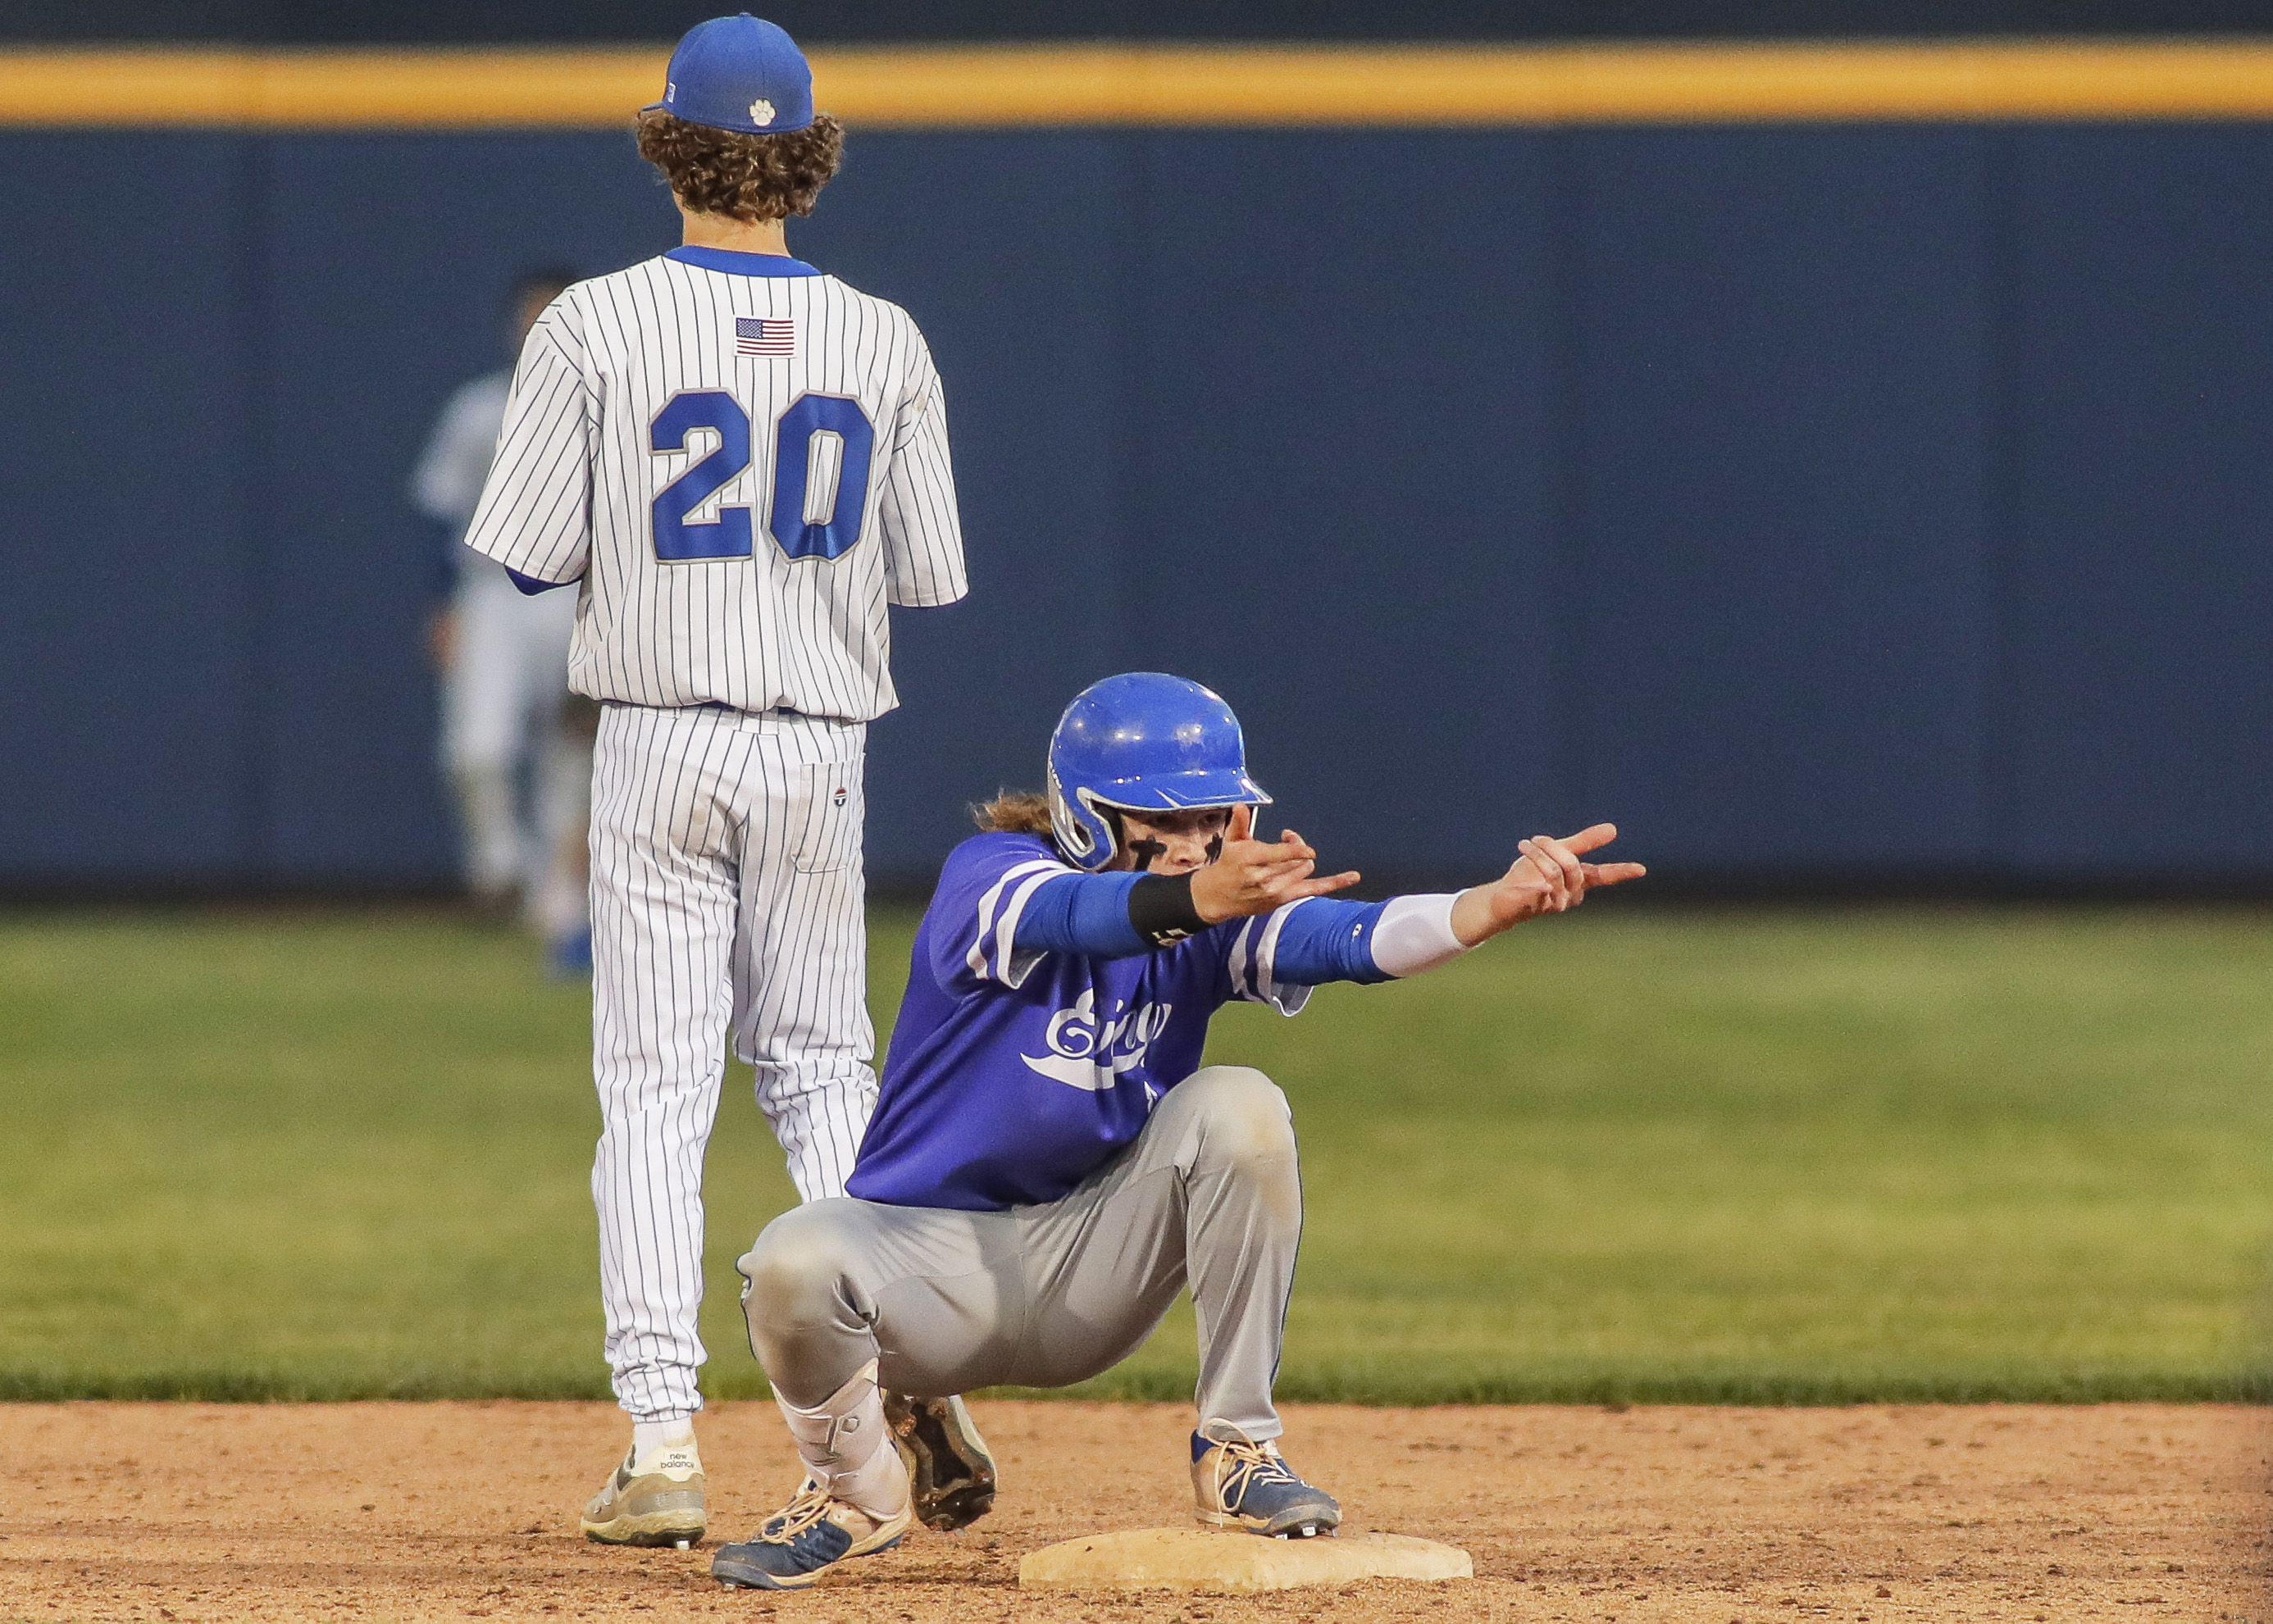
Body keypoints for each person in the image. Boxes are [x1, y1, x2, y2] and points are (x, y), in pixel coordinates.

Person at [707, 672, 1646, 1590]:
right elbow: (1077, 913)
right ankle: (856, 1494)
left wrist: (1487, 907)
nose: (1197, 841)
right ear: (1086, 813)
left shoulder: (1208, 914)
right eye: (1166, 819)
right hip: (930, 1276)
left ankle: (1238, 1449)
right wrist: (1198, 903)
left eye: (1212, 819)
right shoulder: (987, 877)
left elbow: (1349, 939)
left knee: (1238, 1103)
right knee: (792, 1258)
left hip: (1090, 1267)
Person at [458, 14, 977, 1549]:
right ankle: (902, 1369)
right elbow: (932, 571)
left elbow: (529, 550)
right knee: (827, 1068)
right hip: (819, 745)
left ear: (667, 142)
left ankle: (663, 1443)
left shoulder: (594, 324)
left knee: (655, 1090)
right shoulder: (884, 335)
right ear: (807, 155)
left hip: (661, 737)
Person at [409, 267, 595, 971]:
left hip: (575, 588)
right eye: (531, 312)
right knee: (476, 747)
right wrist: (441, 602)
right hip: (491, 590)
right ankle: (498, 866)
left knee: (573, 751)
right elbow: (437, 506)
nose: (539, 323)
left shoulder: (610, 399)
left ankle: (558, 895)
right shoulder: (479, 408)